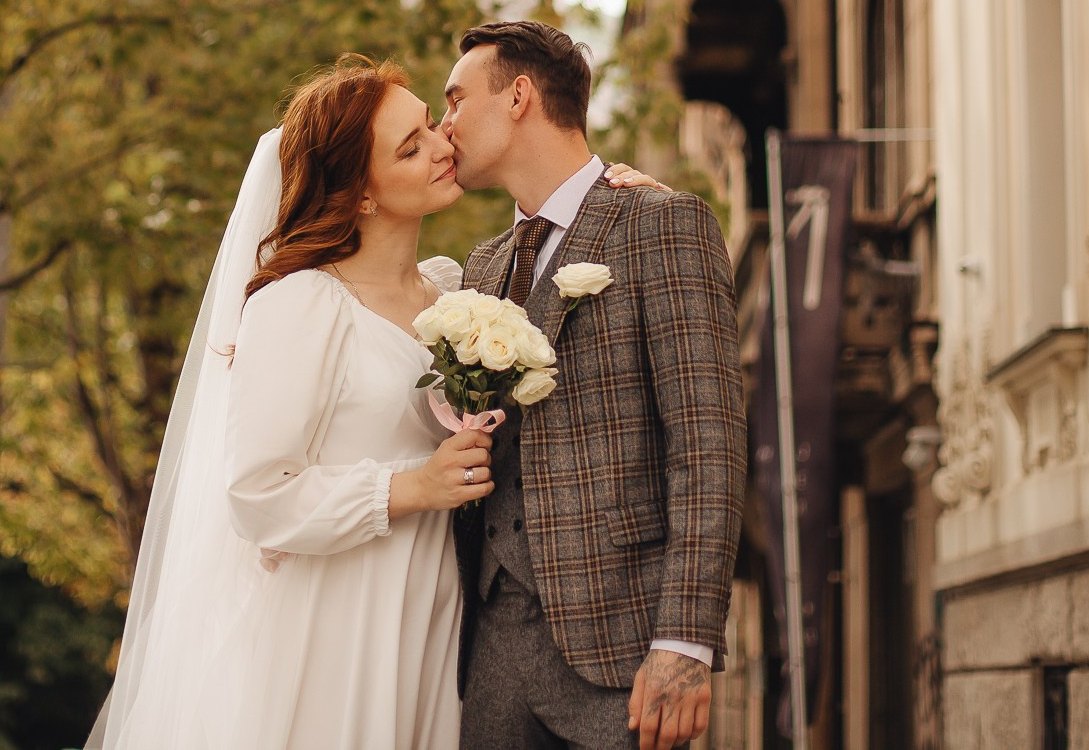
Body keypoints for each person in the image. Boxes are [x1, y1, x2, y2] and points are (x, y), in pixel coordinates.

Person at [85, 55, 664, 750]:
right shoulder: (298, 303)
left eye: (430, 124)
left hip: (433, 611)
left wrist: (631, 207)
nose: (442, 145)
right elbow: (258, 494)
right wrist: (411, 486)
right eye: (410, 146)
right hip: (336, 616)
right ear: (360, 191)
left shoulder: (456, 294)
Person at [441, 22, 745, 750]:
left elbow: (708, 443)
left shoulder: (661, 223)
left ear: (519, 95)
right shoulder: (479, 270)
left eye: (453, 100)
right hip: (492, 644)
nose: (443, 123)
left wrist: (687, 640)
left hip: (627, 649)